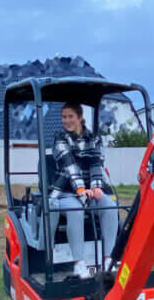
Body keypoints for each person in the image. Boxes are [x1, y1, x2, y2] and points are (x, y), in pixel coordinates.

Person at [48, 101, 119, 278]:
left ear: (80, 118)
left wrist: (96, 188)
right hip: (66, 190)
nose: (66, 120)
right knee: (76, 210)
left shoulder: (93, 138)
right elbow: (70, 166)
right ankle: (79, 264)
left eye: (70, 116)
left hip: (88, 190)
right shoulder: (60, 138)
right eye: (64, 117)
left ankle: (108, 259)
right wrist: (81, 190)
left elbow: (97, 163)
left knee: (110, 207)